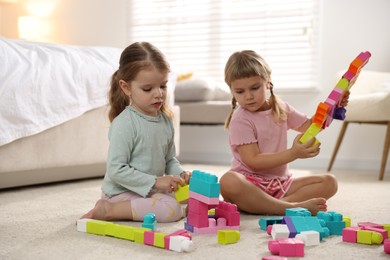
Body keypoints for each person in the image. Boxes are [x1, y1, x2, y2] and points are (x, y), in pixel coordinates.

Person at [219, 50, 348, 216]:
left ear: (268, 82)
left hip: (280, 184)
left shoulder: (280, 107)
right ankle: (287, 207)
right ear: (232, 90)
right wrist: (293, 153)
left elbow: (309, 125)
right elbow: (253, 161)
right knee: (228, 181)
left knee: (330, 182)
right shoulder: (241, 119)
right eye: (240, 92)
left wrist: (333, 108)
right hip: (250, 183)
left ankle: (277, 205)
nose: (249, 96)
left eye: (255, 88)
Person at [81, 42, 191, 223]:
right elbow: (116, 170)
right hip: (121, 192)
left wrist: (180, 175)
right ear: (126, 88)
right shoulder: (125, 124)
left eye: (163, 86)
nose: (159, 94)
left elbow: (169, 160)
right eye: (148, 89)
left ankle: (168, 203)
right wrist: (156, 181)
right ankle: (109, 209)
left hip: (151, 188)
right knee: (171, 210)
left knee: (194, 196)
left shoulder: (165, 120)